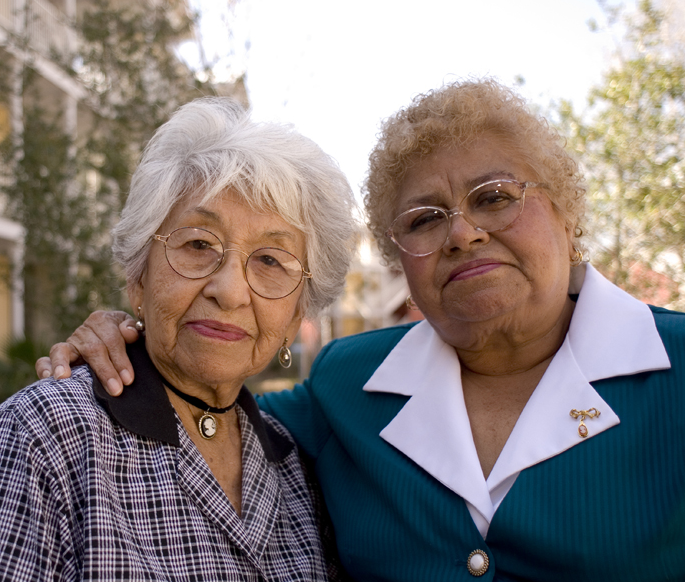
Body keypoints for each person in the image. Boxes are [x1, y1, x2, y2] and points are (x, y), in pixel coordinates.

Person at [39, 79, 685, 581]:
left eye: (494, 197)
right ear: (400, 256)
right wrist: (131, 332)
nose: (462, 232)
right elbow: (204, 391)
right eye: (425, 218)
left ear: (567, 214)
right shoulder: (351, 382)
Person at [0, 98, 355, 580]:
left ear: (294, 317)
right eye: (199, 244)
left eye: (270, 261)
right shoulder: (45, 437)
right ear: (138, 277)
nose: (228, 291)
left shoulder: (295, 464)